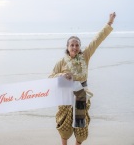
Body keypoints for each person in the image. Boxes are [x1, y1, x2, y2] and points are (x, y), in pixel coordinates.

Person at [48, 12, 116, 145]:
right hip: (66, 98)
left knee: (81, 129)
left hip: (81, 97)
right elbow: (50, 77)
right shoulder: (61, 62)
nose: (74, 47)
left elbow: (97, 40)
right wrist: (61, 75)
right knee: (64, 128)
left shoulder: (85, 56)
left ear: (80, 48)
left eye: (77, 45)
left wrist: (109, 22)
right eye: (72, 45)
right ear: (67, 48)